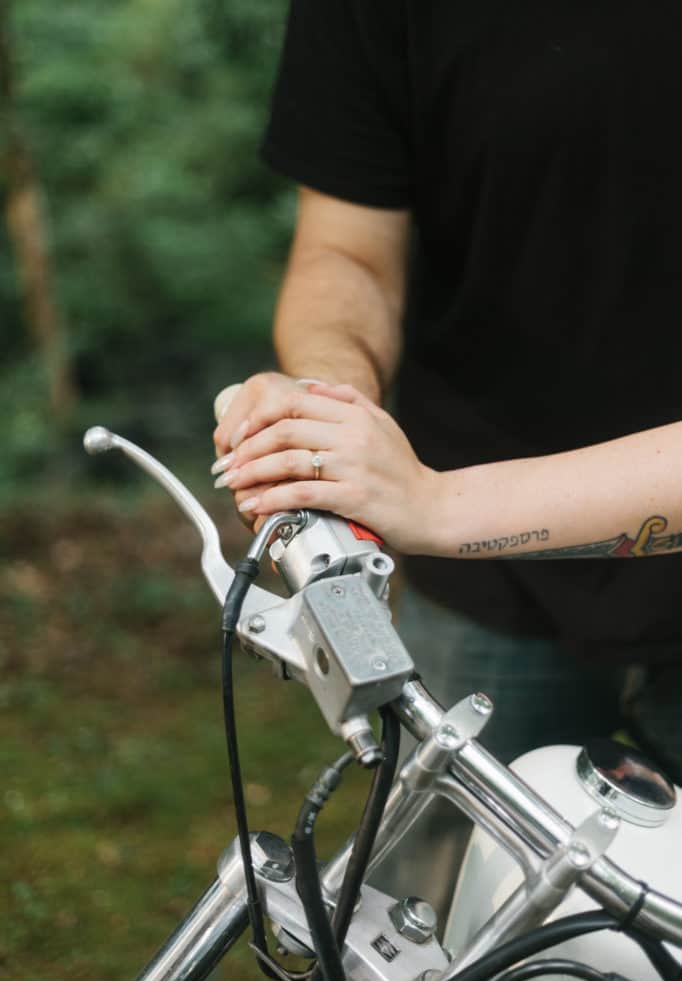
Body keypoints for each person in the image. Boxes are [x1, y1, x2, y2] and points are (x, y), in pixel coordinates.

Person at [213, 0, 682, 911]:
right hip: (482, 591)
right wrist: (329, 415)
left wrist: (434, 505)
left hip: (459, 512)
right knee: (425, 929)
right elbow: (347, 249)